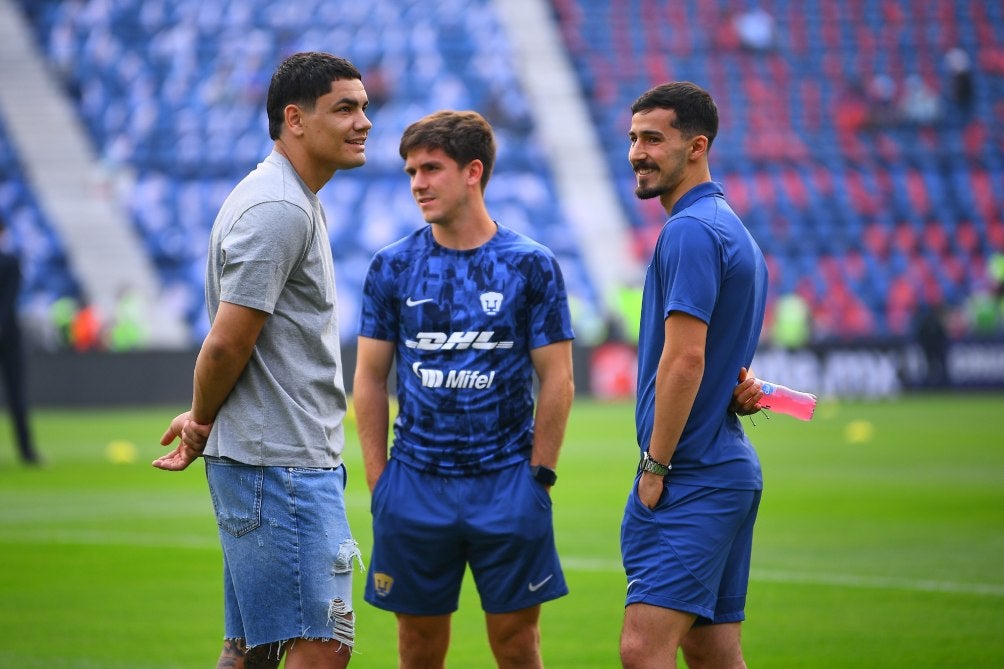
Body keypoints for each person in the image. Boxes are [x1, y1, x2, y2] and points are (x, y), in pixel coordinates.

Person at [152, 52, 371, 669]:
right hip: (281, 466)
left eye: (363, 106)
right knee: (322, 644)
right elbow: (227, 341)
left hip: (273, 461)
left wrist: (204, 417)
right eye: (345, 108)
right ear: (294, 120)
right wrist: (198, 420)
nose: (364, 121)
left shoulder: (283, 196)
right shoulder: (279, 207)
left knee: (252, 649)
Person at [353, 110, 575, 669]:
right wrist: (381, 482)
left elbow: (558, 377)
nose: (417, 184)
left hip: (507, 483)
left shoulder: (531, 265)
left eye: (432, 168)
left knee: (517, 645)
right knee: (418, 648)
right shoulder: (392, 266)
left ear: (473, 171)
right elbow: (370, 377)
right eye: (410, 172)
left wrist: (540, 476)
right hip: (415, 485)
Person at [618, 82, 769, 669]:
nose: (637, 152)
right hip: (723, 465)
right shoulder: (727, 225)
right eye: (633, 138)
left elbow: (684, 359)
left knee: (642, 651)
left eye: (653, 138)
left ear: (697, 146)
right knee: (712, 654)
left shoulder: (689, 230)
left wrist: (655, 467)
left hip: (694, 473)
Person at [0, 218, 42, 465]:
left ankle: (26, 451)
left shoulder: (10, 262)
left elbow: (9, 301)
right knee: (17, 394)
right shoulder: (11, 262)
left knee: (17, 394)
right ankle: (27, 452)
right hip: (9, 335)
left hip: (10, 338)